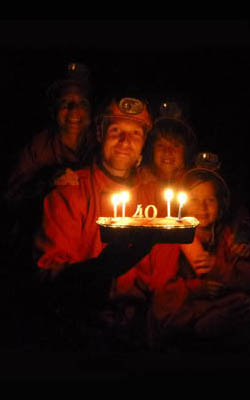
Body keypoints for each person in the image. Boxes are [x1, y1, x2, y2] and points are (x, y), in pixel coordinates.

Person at [31, 95, 161, 350]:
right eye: (116, 131)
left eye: (135, 133)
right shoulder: (69, 192)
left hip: (140, 336)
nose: (125, 141)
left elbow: (160, 282)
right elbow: (48, 277)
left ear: (144, 143)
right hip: (79, 333)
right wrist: (100, 271)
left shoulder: (153, 202)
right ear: (100, 135)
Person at [3, 62, 96, 267]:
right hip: (42, 245)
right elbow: (11, 198)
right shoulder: (39, 147)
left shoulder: (101, 144)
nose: (74, 110)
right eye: (66, 103)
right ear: (54, 109)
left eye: (82, 103)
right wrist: (48, 180)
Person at [149, 168, 250, 352]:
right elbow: (161, 292)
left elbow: (243, 278)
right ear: (183, 204)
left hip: (218, 309)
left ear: (221, 203)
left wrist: (220, 268)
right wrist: (197, 288)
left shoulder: (226, 235)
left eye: (210, 200)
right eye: (194, 200)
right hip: (183, 316)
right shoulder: (171, 238)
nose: (202, 208)